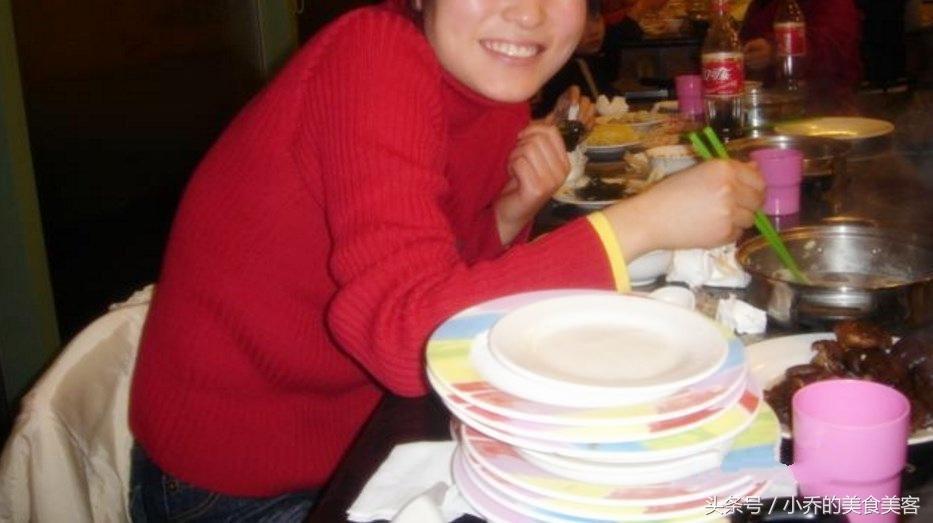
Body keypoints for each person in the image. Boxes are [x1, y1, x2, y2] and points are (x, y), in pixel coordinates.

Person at [128, 0, 765, 520]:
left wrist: (507, 215)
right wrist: (641, 224)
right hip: (245, 482)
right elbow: (407, 336)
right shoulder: (372, 51)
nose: (528, 14)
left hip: (372, 434)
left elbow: (437, 280)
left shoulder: (495, 86)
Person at [739, 0, 862, 111]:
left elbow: (832, 46)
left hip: (824, 109)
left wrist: (776, 50)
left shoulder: (833, 4)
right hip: (767, 106)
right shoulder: (762, 5)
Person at [534, 0, 619, 118]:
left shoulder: (600, 59)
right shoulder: (556, 71)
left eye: (596, 19)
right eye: (584, 23)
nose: (594, 31)